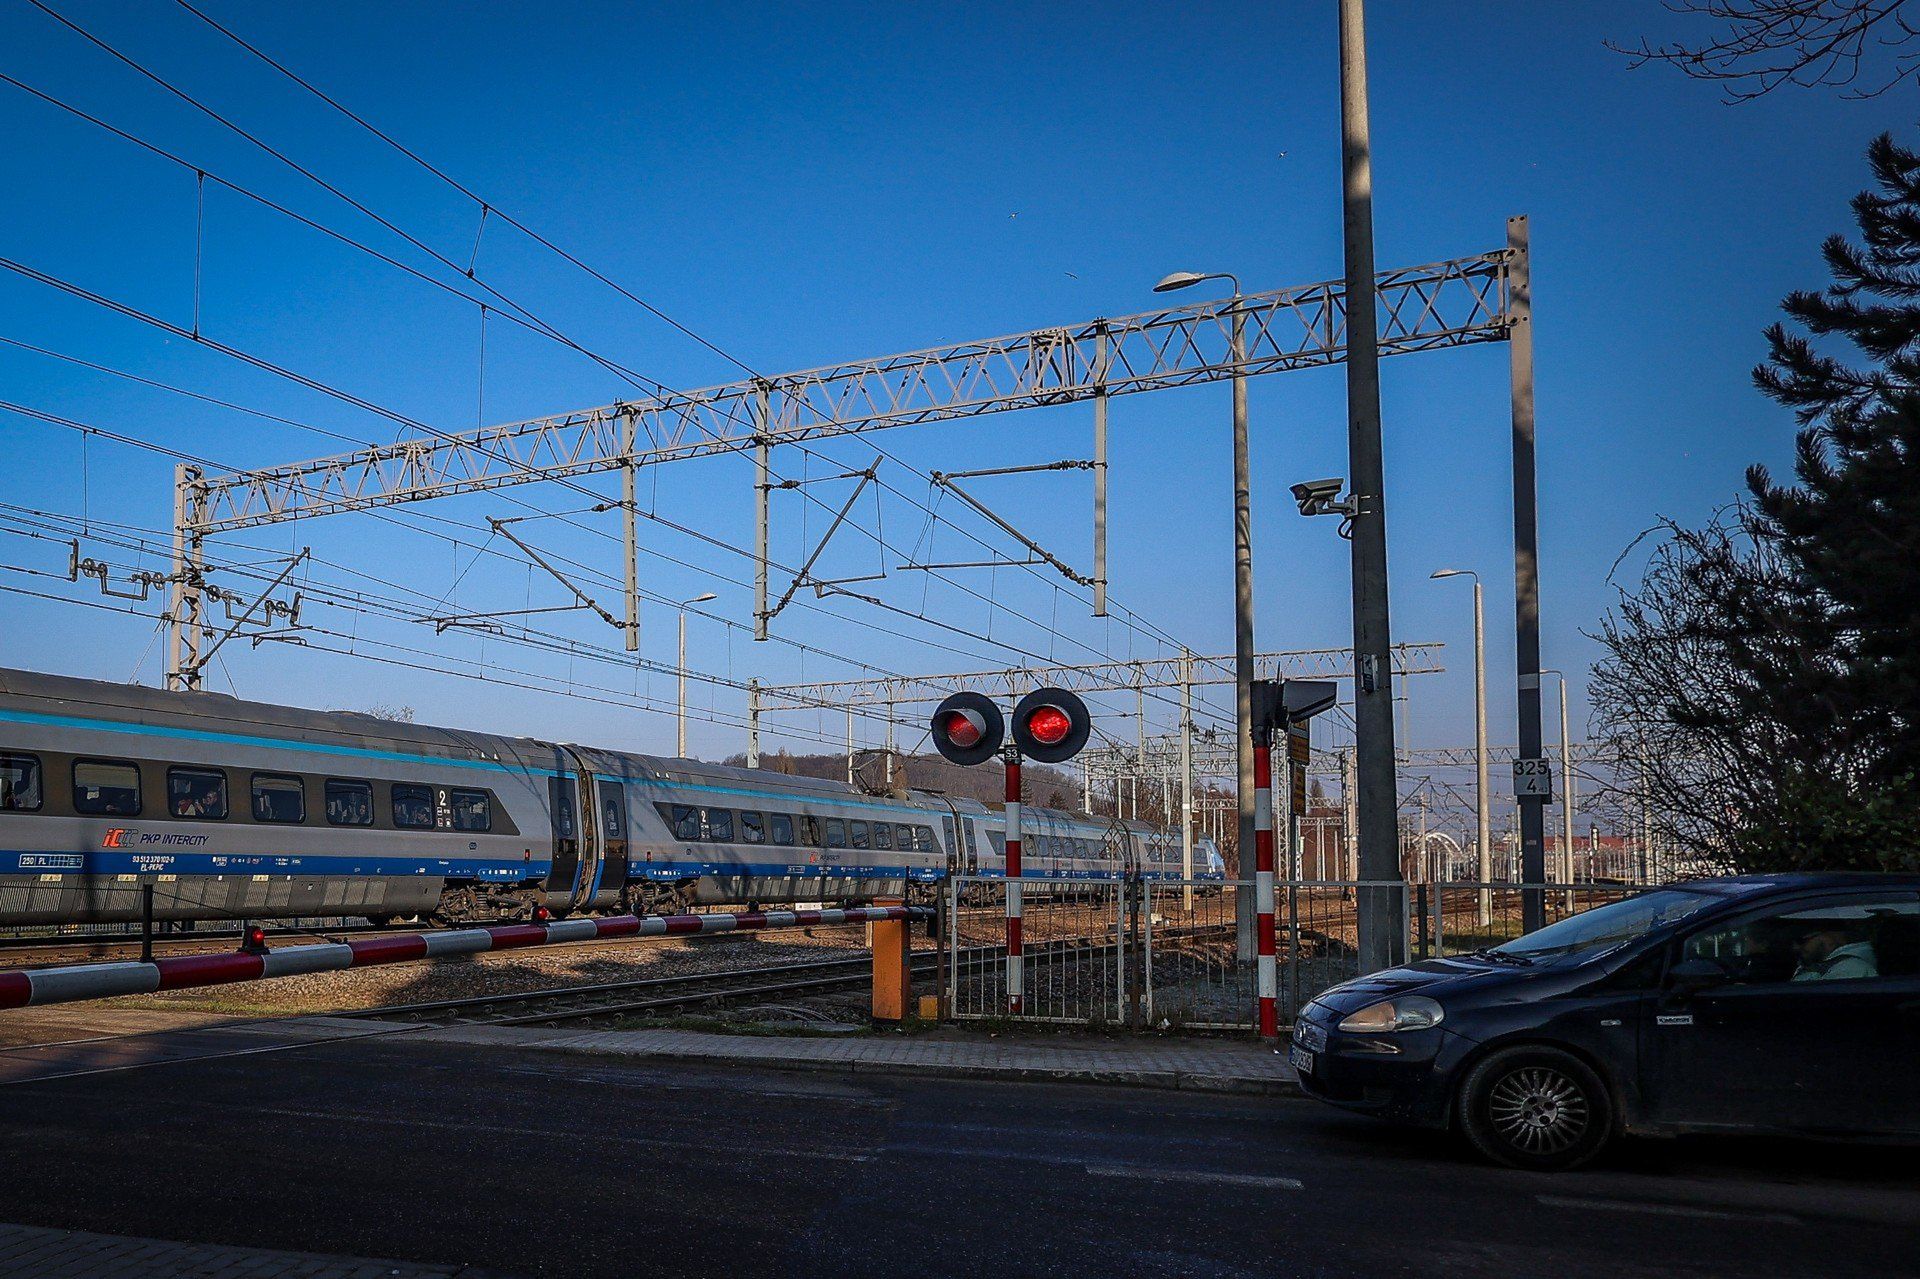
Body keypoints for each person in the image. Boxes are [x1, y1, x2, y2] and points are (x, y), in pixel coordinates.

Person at [1791, 924, 1879, 982]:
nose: (1795, 948)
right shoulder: (1819, 966)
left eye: (1802, 941)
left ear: (1829, 936)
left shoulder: (1851, 967)